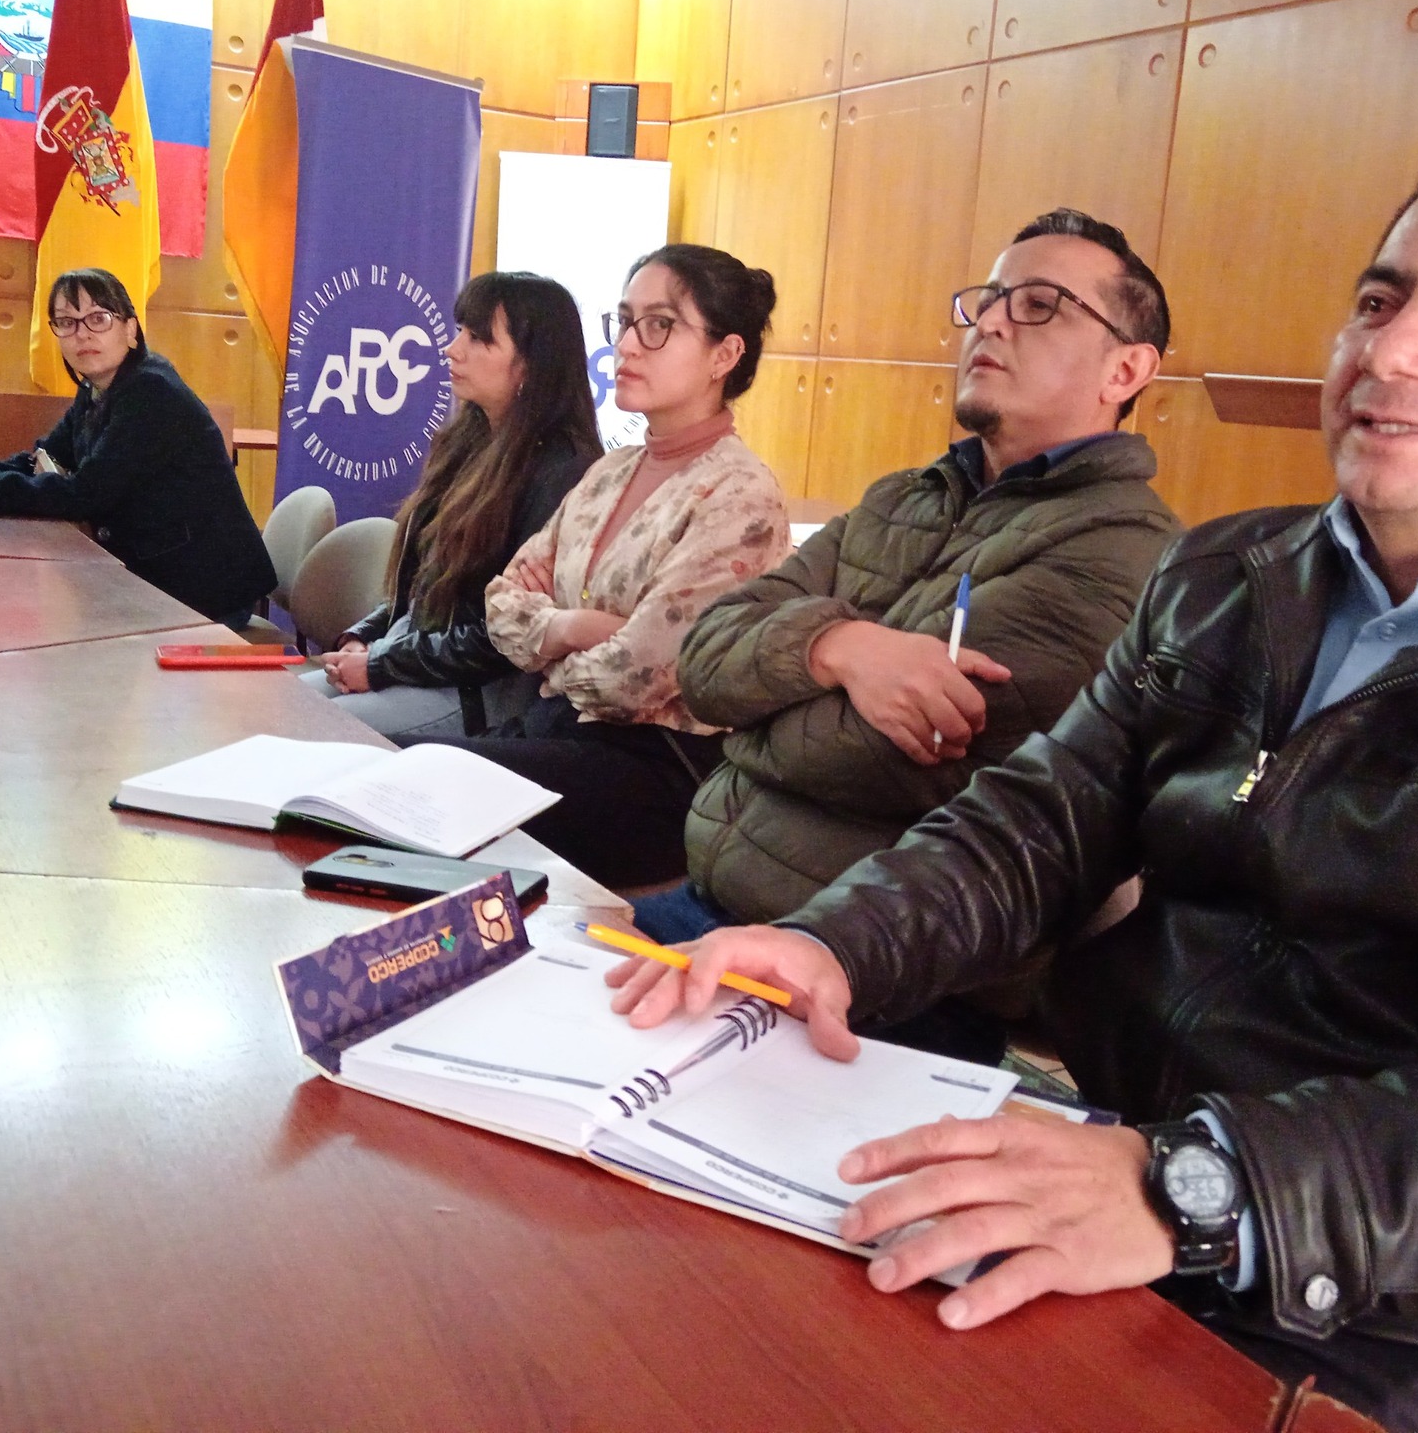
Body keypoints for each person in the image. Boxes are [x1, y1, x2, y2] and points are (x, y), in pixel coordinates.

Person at [607, 136, 1418, 1433]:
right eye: (1378, 299)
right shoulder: (1226, 576)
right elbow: (1036, 822)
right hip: (1106, 1166)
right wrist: (832, 943)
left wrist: (1191, 1188)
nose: (1391, 350)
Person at [638, 209, 1180, 958]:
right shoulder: (903, 497)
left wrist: (750, 718)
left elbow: (893, 756)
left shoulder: (1122, 545)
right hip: (707, 899)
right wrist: (836, 647)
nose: (991, 322)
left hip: (873, 960)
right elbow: (701, 663)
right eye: (989, 299)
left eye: (1039, 304)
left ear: (1126, 370)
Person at [399, 244, 792, 888]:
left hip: (653, 772)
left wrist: (551, 647)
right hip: (558, 731)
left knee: (412, 776)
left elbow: (634, 679)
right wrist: (578, 627)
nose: (627, 346)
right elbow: (504, 605)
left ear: (725, 355)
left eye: (658, 325)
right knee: (388, 773)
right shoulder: (610, 471)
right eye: (625, 321)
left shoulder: (740, 495)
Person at [303, 272, 601, 736]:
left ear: (531, 364)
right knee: (277, 708)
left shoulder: (564, 472)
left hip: (477, 691)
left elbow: (503, 638)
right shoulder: (468, 441)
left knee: (306, 730)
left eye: (478, 338)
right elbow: (424, 588)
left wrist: (380, 664)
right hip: (415, 658)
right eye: (461, 330)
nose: (452, 348)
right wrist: (365, 637)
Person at [0, 268, 274, 628]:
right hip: (152, 581)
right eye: (67, 322)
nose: (83, 334)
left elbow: (84, 495)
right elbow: (39, 461)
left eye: (98, 318)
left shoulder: (151, 391)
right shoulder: (99, 388)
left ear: (130, 329)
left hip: (203, 594)